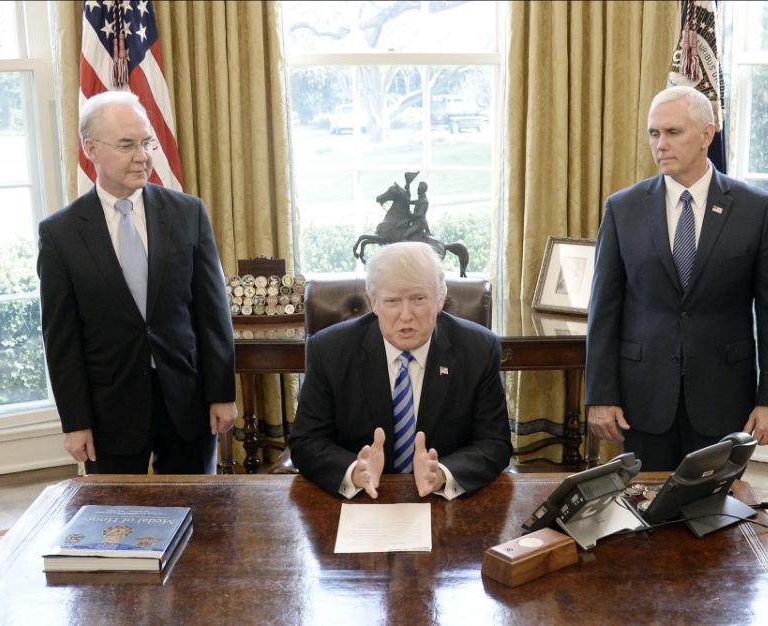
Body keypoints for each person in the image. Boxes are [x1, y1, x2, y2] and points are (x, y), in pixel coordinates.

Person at [585, 85, 768, 471]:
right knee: (645, 518)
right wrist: (599, 393)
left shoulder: (756, 210)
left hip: (724, 396)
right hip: (642, 398)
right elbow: (604, 310)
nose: (660, 144)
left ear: (706, 135)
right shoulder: (622, 209)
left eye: (672, 132)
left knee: (714, 516)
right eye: (653, 133)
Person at [37, 90, 237, 474]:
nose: (142, 155)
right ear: (91, 149)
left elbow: (213, 314)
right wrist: (75, 421)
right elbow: (61, 338)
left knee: (201, 515)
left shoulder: (187, 213)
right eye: (127, 145)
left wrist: (221, 394)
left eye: (146, 142)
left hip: (187, 399)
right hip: (109, 408)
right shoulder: (60, 233)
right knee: (116, 523)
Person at [289, 241, 512, 499]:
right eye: (392, 301)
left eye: (418, 298)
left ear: (439, 298)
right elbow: (306, 442)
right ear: (373, 302)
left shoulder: (479, 349)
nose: (405, 315)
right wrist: (353, 471)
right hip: (359, 503)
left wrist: (442, 473)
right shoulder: (329, 350)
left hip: (443, 502)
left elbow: (494, 443)